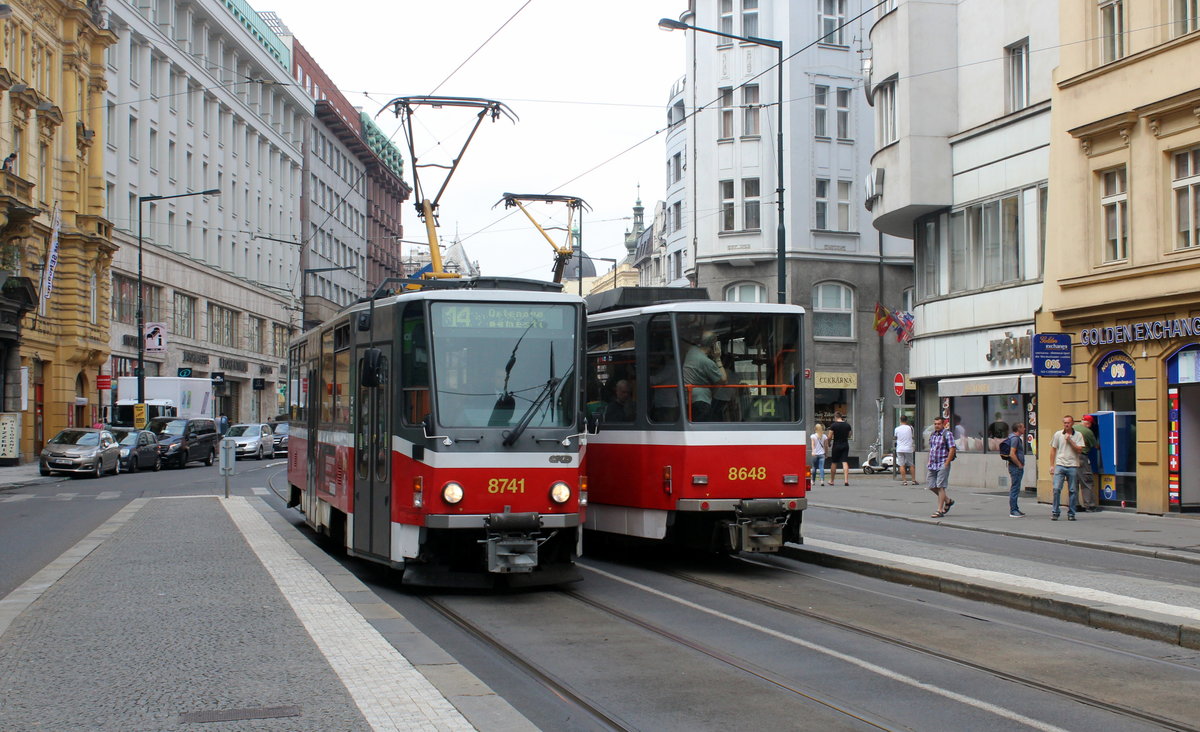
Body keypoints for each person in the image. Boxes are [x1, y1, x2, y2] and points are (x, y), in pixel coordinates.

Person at [1049, 415, 1085, 521]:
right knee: (1056, 489)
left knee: (1073, 490)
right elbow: (1053, 449)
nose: (1066, 424)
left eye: (1068, 423)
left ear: (1072, 423)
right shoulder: (1058, 434)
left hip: (1073, 465)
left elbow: (1079, 450)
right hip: (1060, 464)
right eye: (1065, 423)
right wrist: (1052, 465)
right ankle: (1055, 512)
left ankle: (1071, 513)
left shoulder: (1078, 435)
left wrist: (1070, 441)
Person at [682, 332, 725, 421]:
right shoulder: (707, 362)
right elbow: (723, 380)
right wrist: (718, 358)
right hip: (701, 400)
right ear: (714, 345)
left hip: (686, 398)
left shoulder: (691, 350)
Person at [926, 416, 957, 518]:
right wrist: (929, 461)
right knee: (931, 485)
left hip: (942, 463)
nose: (936, 426)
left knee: (940, 486)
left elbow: (952, 449)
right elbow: (932, 448)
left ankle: (939, 510)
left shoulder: (947, 434)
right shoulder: (933, 435)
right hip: (933, 464)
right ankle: (948, 501)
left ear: (943, 424)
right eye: (935, 424)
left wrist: (946, 463)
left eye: (938, 424)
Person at [1074, 414, 1100, 512]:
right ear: (1088, 424)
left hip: (1070, 458)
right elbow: (1095, 446)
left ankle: (1075, 504)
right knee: (1086, 481)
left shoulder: (1072, 427)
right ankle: (1090, 505)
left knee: (1073, 482)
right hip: (1082, 457)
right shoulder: (1088, 431)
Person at [1005, 422, 1027, 517]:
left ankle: (1015, 508)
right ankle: (1013, 510)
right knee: (1015, 488)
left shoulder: (1012, 437)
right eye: (1023, 427)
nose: (1025, 429)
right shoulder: (1015, 439)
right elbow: (1012, 453)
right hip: (1015, 467)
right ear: (1018, 429)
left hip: (1014, 466)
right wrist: (1019, 464)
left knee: (1016, 488)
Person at [828, 413, 852, 486]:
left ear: (835, 417)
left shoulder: (833, 425)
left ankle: (832, 480)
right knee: (844, 461)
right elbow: (850, 435)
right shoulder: (847, 425)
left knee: (834, 462)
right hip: (845, 444)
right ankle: (846, 480)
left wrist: (829, 443)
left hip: (836, 445)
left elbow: (829, 436)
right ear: (841, 417)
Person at [893, 415, 915, 485]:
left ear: (900, 420)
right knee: (911, 464)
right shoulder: (910, 428)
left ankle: (904, 481)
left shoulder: (896, 429)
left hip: (900, 448)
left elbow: (895, 437)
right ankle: (913, 480)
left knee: (901, 465)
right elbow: (912, 436)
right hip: (908, 448)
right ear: (907, 420)